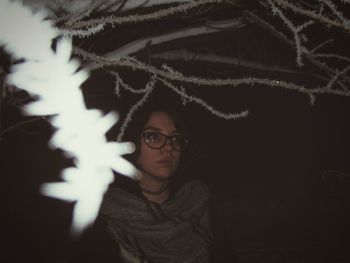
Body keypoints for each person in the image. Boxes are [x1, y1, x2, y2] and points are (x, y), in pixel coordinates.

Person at [98, 103, 213, 263]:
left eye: (175, 138)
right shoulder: (106, 213)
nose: (168, 148)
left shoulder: (199, 201)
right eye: (153, 136)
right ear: (132, 142)